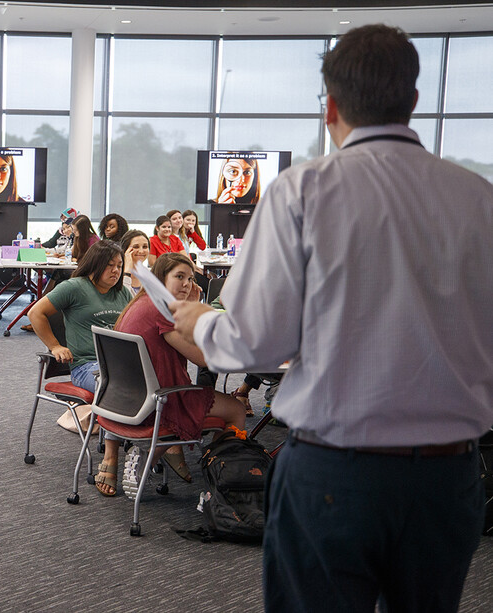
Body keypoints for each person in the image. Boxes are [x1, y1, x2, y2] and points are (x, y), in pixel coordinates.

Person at [170, 25, 493, 613]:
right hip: (450, 479)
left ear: (332, 108)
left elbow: (252, 344)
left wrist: (197, 323)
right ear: (415, 101)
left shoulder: (302, 191)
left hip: (333, 474)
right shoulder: (480, 199)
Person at [92, 253, 246, 495]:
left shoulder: (141, 302)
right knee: (236, 409)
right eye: (179, 277)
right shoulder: (164, 311)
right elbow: (203, 359)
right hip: (163, 399)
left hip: (125, 397)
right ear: (161, 277)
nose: (187, 283)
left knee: (215, 404)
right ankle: (219, 477)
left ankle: (153, 455)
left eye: (191, 278)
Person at [26, 240, 130, 396]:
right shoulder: (74, 287)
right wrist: (55, 346)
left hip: (119, 363)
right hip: (86, 366)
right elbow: (35, 313)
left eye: (119, 266)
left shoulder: (123, 293)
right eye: (110, 265)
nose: (116, 270)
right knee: (121, 389)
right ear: (95, 264)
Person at [120, 230, 149, 296]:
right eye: (136, 247)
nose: (141, 251)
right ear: (125, 250)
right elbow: (122, 299)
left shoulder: (151, 274)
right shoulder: (116, 274)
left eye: (145, 247)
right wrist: (127, 273)